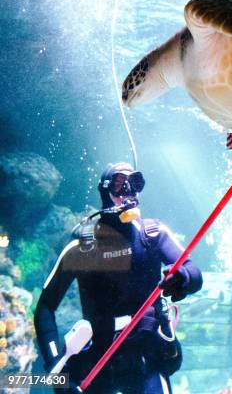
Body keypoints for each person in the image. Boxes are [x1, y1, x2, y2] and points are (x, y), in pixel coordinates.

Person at [34, 162, 203, 393]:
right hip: (99, 359)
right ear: (105, 190)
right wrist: (55, 367)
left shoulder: (152, 235)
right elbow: (45, 307)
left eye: (134, 184)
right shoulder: (81, 247)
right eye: (119, 185)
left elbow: (193, 271)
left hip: (147, 353)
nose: (128, 194)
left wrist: (182, 277)